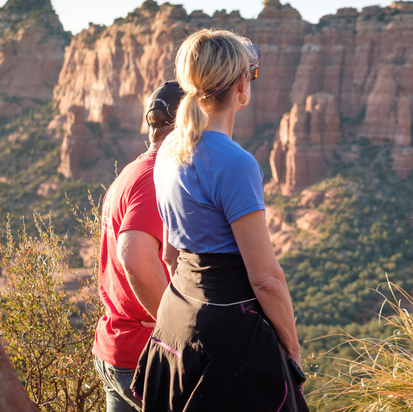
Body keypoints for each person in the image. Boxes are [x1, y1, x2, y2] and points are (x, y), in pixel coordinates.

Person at [131, 29, 308, 412]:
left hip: (175, 319)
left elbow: (171, 257)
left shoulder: (168, 151)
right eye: (253, 74)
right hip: (228, 333)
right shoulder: (236, 163)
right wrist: (291, 348)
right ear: (241, 84)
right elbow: (265, 278)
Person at [93, 80, 185, 412]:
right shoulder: (154, 177)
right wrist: (177, 331)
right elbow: (133, 257)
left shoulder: (132, 171)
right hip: (145, 357)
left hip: (116, 349)